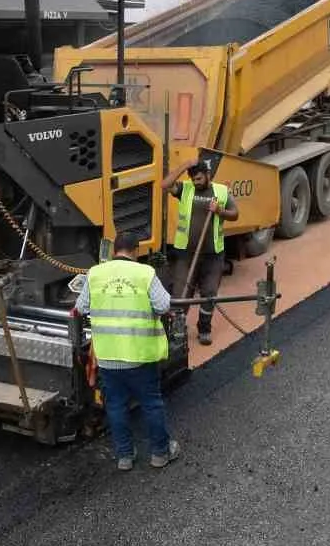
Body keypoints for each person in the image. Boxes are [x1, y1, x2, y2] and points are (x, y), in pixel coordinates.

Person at [74, 231, 179, 471]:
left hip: (108, 358)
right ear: (136, 250)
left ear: (114, 250)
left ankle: (125, 457)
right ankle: (160, 453)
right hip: (140, 356)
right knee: (151, 404)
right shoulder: (145, 273)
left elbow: (80, 308)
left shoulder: (95, 273)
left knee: (116, 407)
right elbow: (163, 305)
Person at [160, 156, 239, 346]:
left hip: (213, 255)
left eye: (199, 178)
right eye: (193, 179)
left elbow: (235, 214)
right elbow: (165, 184)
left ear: (208, 175)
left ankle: (204, 328)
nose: (196, 182)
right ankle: (177, 328)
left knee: (209, 293)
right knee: (181, 294)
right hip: (186, 254)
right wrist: (185, 166)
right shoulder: (185, 189)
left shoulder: (221, 191)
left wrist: (220, 211)